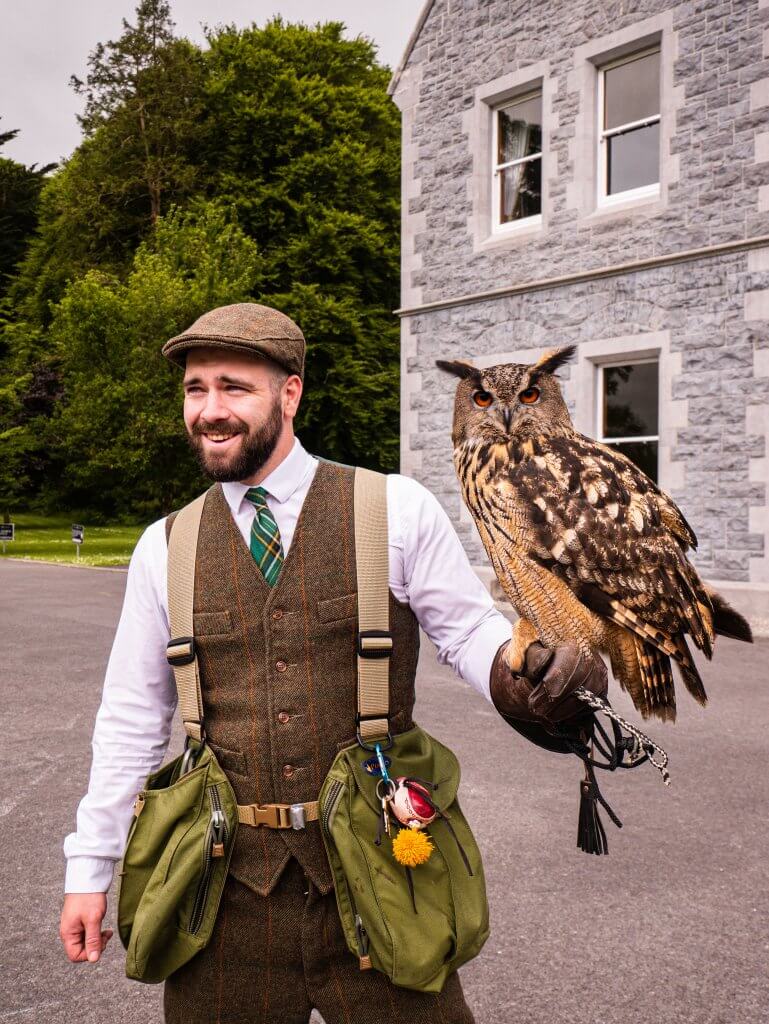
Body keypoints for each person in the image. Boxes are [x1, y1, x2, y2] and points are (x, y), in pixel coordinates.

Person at [59, 303, 607, 1023]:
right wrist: (88, 869)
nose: (209, 410)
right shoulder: (165, 546)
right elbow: (131, 716)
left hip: (385, 869)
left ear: (289, 394)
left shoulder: (394, 508)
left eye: (234, 388)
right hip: (221, 889)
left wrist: (526, 676)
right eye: (196, 389)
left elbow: (469, 630)